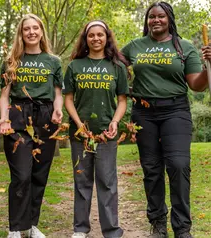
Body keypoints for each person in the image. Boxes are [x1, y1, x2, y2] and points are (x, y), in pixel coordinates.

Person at [121, 2, 211, 238]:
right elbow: (113, 65)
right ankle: (158, 223)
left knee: (179, 165)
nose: (156, 20)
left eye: (161, 16)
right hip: (143, 112)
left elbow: (197, 85)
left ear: (169, 19)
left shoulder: (184, 47)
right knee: (151, 169)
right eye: (152, 17)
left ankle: (182, 228)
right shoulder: (135, 46)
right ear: (147, 20)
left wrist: (207, 67)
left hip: (175, 110)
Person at [0, 13, 63, 238]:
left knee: (39, 175)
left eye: (35, 28)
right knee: (22, 175)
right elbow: (4, 96)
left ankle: (32, 225)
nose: (31, 32)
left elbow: (57, 93)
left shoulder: (53, 61)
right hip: (18, 116)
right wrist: (4, 118)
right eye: (27, 29)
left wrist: (57, 109)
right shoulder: (11, 60)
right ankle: (15, 228)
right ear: (21, 33)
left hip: (45, 116)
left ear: (41, 32)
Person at [63, 20, 129, 238]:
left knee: (107, 182)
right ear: (86, 38)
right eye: (91, 35)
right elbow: (69, 99)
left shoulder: (117, 66)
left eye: (100, 34)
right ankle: (80, 229)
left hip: (106, 134)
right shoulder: (75, 66)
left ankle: (111, 230)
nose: (96, 38)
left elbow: (121, 101)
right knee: (82, 180)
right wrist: (79, 124)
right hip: (80, 134)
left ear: (106, 37)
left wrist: (115, 122)